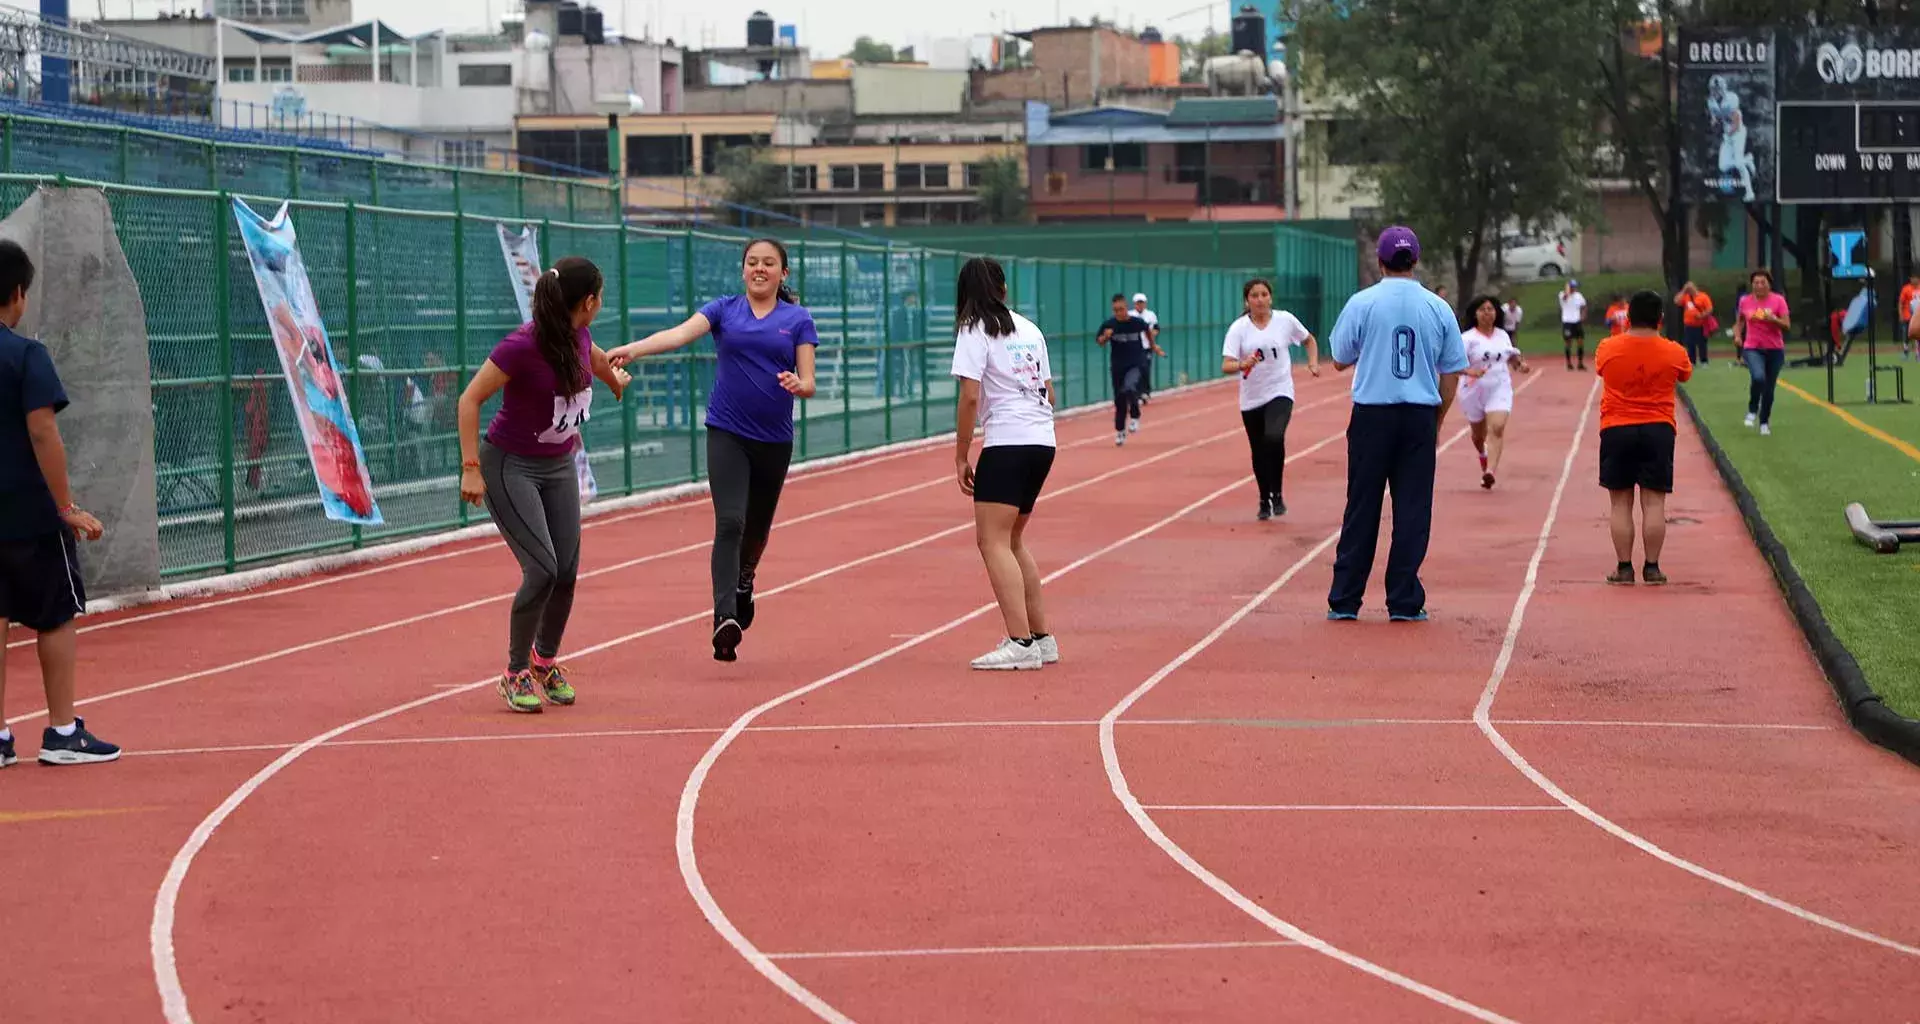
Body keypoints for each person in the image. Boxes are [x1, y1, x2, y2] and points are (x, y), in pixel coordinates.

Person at [609, 239, 818, 662]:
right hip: (727, 431)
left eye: (769, 264)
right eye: (752, 263)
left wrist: (801, 385)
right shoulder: (724, 309)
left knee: (756, 530)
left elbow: (809, 379)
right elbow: (680, 334)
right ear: (743, 270)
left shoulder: (797, 319)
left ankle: (745, 579)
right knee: (730, 522)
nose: (759, 269)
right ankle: (724, 617)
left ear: (784, 273)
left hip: (774, 440)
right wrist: (634, 349)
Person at [458, 256, 630, 713]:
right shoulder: (521, 345)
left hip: (557, 466)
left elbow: (592, 357)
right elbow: (469, 399)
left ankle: (544, 661)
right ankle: (513, 673)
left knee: (568, 572)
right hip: (509, 465)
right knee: (542, 569)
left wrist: (614, 380)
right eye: (601, 297)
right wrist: (470, 466)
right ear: (589, 302)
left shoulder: (580, 332)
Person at [0, 240, 117, 767]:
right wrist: (65, 506)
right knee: (55, 615)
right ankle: (63, 731)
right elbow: (43, 431)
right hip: (26, 512)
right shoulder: (26, 355)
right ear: (18, 294)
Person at [1326, 227, 1468, 623]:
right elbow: (1452, 370)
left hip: (1373, 414)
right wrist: (1437, 417)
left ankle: (1345, 599)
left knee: (1362, 506)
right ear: (1416, 261)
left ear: (1380, 261)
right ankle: (1404, 600)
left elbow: (1338, 357)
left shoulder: (1363, 302)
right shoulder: (1437, 307)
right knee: (1413, 509)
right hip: (1419, 414)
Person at [952, 257, 1059, 671]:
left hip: (1008, 441)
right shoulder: (1029, 329)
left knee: (991, 541)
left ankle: (1020, 641)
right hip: (1042, 441)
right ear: (1003, 288)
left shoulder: (973, 327)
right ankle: (1041, 638)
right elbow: (1049, 393)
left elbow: (970, 397)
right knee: (1013, 541)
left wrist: (962, 453)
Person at [1595, 291, 1693, 586]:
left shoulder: (1608, 347)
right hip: (1658, 429)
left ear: (1629, 317)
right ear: (1660, 318)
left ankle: (1624, 568)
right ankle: (1652, 568)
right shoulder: (1675, 351)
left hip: (1617, 428)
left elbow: (1601, 370)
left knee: (1620, 503)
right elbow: (1685, 375)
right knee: (1654, 504)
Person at [1222, 277, 1320, 520]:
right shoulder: (1239, 328)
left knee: (1274, 437)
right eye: (1254, 296)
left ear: (1270, 297)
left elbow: (1309, 340)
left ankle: (1277, 493)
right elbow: (1226, 364)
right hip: (1251, 397)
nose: (1260, 300)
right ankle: (1264, 497)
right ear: (1247, 300)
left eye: (1264, 294)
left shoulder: (1285, 320)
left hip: (1280, 390)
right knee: (1258, 449)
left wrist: (1313, 362)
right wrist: (1242, 363)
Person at [1458, 295, 1531, 490]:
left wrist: (1520, 365)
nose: (1487, 313)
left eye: (1490, 309)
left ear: (1496, 312)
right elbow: (1453, 365)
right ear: (1475, 313)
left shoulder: (1503, 335)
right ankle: (1482, 453)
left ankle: (1490, 471)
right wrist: (1470, 371)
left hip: (1499, 386)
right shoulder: (1467, 339)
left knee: (1497, 427)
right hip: (1472, 390)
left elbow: (1512, 358)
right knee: (1477, 435)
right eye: (1482, 309)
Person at [1096, 293, 1161, 446]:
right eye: (1115, 310)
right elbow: (1099, 341)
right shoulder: (1109, 325)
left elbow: (1148, 332)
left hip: (1136, 363)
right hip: (1118, 366)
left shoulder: (1137, 322)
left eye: (1121, 309)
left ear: (1126, 307)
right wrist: (1105, 337)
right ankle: (1120, 431)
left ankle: (1135, 415)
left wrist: (1153, 346)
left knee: (1130, 388)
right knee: (1119, 400)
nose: (1119, 313)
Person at [1734, 268, 1791, 436]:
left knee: (1769, 389)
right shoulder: (1745, 301)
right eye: (1756, 283)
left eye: (1762, 282)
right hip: (1752, 347)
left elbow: (1787, 325)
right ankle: (1752, 409)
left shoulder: (1778, 301)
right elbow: (1739, 322)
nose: (1759, 286)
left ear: (1769, 284)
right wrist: (1737, 336)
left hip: (1775, 349)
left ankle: (1764, 422)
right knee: (1758, 377)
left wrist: (1773, 319)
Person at [1674, 281, 1715, 366]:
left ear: (1694, 287)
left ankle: (1704, 361)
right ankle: (1692, 361)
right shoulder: (1686, 297)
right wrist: (1683, 290)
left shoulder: (1703, 296)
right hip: (1689, 325)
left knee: (1702, 343)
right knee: (1690, 344)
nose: (1689, 290)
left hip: (1701, 325)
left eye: (1690, 288)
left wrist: (1701, 315)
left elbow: (1709, 309)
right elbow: (1676, 301)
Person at [1132, 292, 1160, 405]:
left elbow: (1157, 328)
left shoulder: (1150, 315)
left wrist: (1151, 334)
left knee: (1145, 369)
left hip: (1147, 346)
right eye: (1138, 303)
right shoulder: (1130, 315)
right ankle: (1138, 393)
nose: (1140, 305)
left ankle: (1145, 391)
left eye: (1142, 303)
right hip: (1134, 347)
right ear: (1134, 304)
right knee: (1135, 370)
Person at [1559, 278, 1589, 371]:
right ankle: (1569, 363)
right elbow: (1564, 298)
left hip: (1577, 321)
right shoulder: (1562, 294)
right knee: (1568, 343)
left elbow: (1584, 306)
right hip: (1567, 322)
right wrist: (1567, 290)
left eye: (1574, 287)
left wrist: (1583, 316)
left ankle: (1580, 363)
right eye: (1571, 286)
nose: (1573, 288)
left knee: (1580, 341)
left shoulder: (1579, 296)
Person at [1899, 272, 1918, 360]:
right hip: (1907, 316)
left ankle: (1918, 354)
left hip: (1917, 316)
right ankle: (1906, 352)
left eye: (1915, 278)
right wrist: (1901, 314)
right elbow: (1900, 303)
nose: (1913, 280)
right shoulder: (1906, 289)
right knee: (1906, 335)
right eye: (1912, 278)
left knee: (1917, 335)